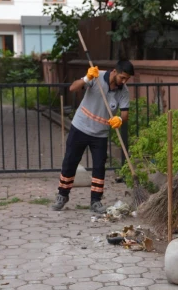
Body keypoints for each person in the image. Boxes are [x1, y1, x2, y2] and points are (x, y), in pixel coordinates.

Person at [51, 60, 134, 213]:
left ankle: (96, 201)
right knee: (70, 162)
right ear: (114, 71)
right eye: (122, 77)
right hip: (80, 127)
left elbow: (125, 114)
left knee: (99, 167)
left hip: (100, 134)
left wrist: (120, 119)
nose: (124, 81)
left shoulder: (123, 91)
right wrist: (86, 78)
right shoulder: (96, 76)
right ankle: (62, 195)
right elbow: (72, 88)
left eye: (127, 79)